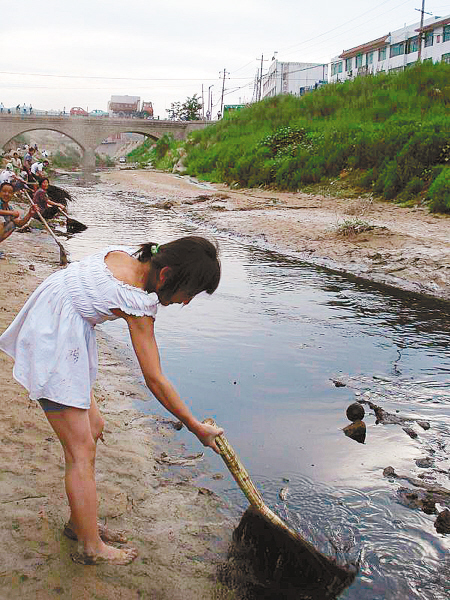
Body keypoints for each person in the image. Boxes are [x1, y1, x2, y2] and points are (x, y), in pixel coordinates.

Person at [0, 236, 223, 565]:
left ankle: (80, 523)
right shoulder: (136, 300)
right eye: (188, 293)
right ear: (165, 276)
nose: (185, 302)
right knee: (81, 450)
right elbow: (155, 379)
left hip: (63, 324)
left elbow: (79, 300)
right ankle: (91, 545)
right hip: (53, 336)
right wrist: (193, 426)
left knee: (94, 426)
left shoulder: (120, 257)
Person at [0, 181, 37, 246]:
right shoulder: (10, 211)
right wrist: (11, 213)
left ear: (13, 194)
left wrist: (30, 214)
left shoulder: (9, 208)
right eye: (4, 191)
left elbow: (19, 223)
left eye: (10, 192)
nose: (6, 194)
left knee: (12, 224)